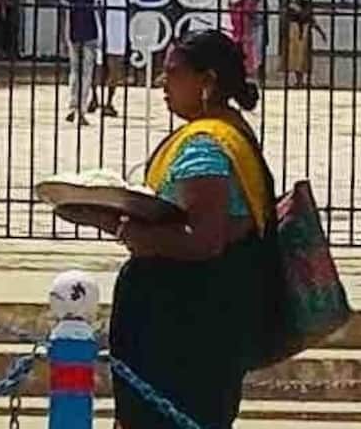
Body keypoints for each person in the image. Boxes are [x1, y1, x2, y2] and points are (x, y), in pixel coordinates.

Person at [97, 30, 270, 429]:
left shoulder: (206, 146)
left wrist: (136, 235)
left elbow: (205, 239)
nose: (162, 83)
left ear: (206, 81)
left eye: (172, 73)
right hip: (203, 316)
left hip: (182, 326)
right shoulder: (230, 130)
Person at [61, 0, 105, 124]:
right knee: (86, 73)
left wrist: (64, 37)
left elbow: (65, 15)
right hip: (90, 33)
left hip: (74, 32)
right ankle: (80, 108)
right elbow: (99, 11)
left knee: (75, 72)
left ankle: (74, 106)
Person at [93, 0, 135, 115]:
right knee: (115, 62)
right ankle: (108, 102)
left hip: (97, 16)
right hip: (118, 18)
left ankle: (94, 98)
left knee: (96, 61)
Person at [281, 0, 324, 87]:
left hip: (294, 31)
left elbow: (286, 18)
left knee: (295, 56)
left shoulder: (292, 5)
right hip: (303, 31)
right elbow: (311, 19)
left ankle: (297, 80)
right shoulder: (306, 5)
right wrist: (321, 32)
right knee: (302, 56)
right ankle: (301, 80)